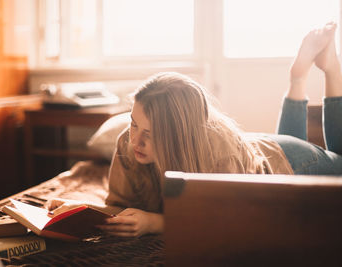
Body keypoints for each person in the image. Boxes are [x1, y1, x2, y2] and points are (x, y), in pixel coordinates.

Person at [50, 22, 342, 237]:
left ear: (180, 136)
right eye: (134, 124)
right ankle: (299, 79)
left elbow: (233, 223)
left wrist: (154, 222)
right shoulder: (129, 142)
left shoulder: (220, 157)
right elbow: (119, 207)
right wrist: (80, 213)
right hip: (257, 147)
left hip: (292, 161)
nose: (135, 141)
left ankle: (328, 69)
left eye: (150, 135)